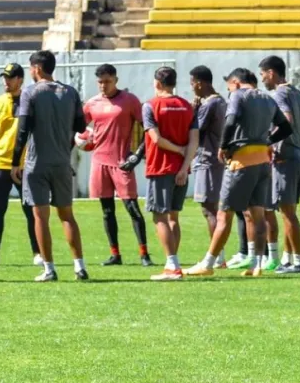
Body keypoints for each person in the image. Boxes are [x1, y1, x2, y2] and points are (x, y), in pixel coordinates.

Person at [186, 68, 293, 277]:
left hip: (241, 162)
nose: (228, 90)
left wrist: (223, 146)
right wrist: (266, 141)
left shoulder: (237, 96)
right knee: (258, 214)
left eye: (228, 86)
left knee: (223, 213)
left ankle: (208, 264)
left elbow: (231, 120)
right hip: (263, 162)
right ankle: (257, 264)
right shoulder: (268, 98)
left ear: (235, 82)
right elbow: (286, 128)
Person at [12, 50, 89, 282]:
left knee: (40, 216)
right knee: (67, 215)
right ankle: (80, 267)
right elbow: (80, 126)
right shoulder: (71, 92)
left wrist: (15, 161)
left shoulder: (30, 93)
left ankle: (49, 268)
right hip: (62, 162)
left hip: (37, 162)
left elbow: (23, 129)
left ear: (36, 68)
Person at [259, 56, 300, 274]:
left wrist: (272, 143)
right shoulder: (295, 92)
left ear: (271, 73)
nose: (262, 80)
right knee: (289, 211)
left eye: (262, 75)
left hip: (286, 159)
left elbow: (285, 119)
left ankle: (299, 262)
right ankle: (287, 259)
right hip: (299, 157)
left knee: (287, 213)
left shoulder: (279, 94)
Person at [83, 63, 152, 267]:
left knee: (132, 208)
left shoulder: (129, 101)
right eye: (100, 82)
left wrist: (137, 156)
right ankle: (115, 254)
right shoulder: (91, 104)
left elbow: (148, 130)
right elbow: (79, 130)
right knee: (107, 211)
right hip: (99, 162)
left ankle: (144, 254)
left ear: (116, 80)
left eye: (107, 81)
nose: (103, 86)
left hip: (122, 163)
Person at [141, 67, 198, 281]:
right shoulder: (187, 106)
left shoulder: (150, 105)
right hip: (181, 169)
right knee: (174, 216)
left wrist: (177, 150)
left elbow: (155, 139)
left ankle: (173, 266)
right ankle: (171, 263)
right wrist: (184, 166)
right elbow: (195, 141)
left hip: (160, 166)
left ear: (157, 82)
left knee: (159, 216)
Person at [0, 62, 41, 267]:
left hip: (25, 164)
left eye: (10, 77)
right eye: (4, 77)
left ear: (20, 79)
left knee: (30, 209)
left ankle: (38, 253)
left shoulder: (30, 101)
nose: (6, 81)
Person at [188, 66, 232, 269]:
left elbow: (195, 128)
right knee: (213, 208)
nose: (192, 89)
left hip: (207, 159)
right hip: (216, 160)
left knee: (209, 210)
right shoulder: (222, 100)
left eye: (192, 84)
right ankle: (219, 255)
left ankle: (218, 257)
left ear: (199, 83)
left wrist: (194, 109)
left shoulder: (210, 104)